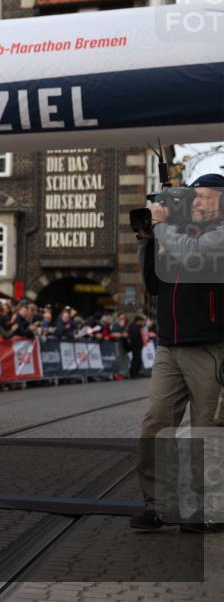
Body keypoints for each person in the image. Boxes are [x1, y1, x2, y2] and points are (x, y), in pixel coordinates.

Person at [131, 173, 224, 533]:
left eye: (204, 197)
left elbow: (193, 255)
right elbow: (154, 284)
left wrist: (162, 227)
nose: (197, 203)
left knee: (208, 431)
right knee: (156, 423)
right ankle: (158, 505)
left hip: (210, 346)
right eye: (194, 197)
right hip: (170, 345)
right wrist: (147, 242)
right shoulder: (180, 232)